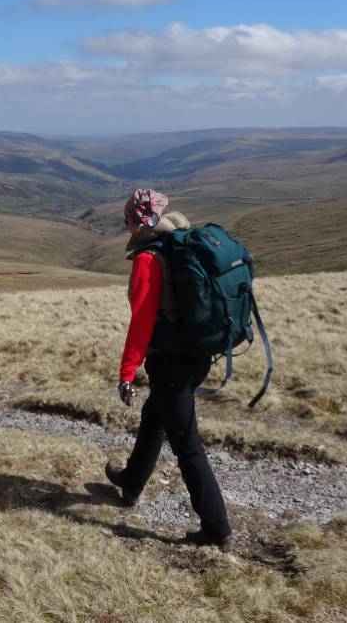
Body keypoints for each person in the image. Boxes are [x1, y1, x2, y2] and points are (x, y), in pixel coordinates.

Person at [104, 188, 232, 550]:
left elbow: (142, 322)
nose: (127, 227)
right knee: (155, 416)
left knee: (187, 444)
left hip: (170, 361)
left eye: (128, 221)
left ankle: (216, 528)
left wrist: (127, 372)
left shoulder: (149, 259)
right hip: (196, 356)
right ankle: (130, 483)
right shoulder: (179, 244)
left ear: (136, 221)